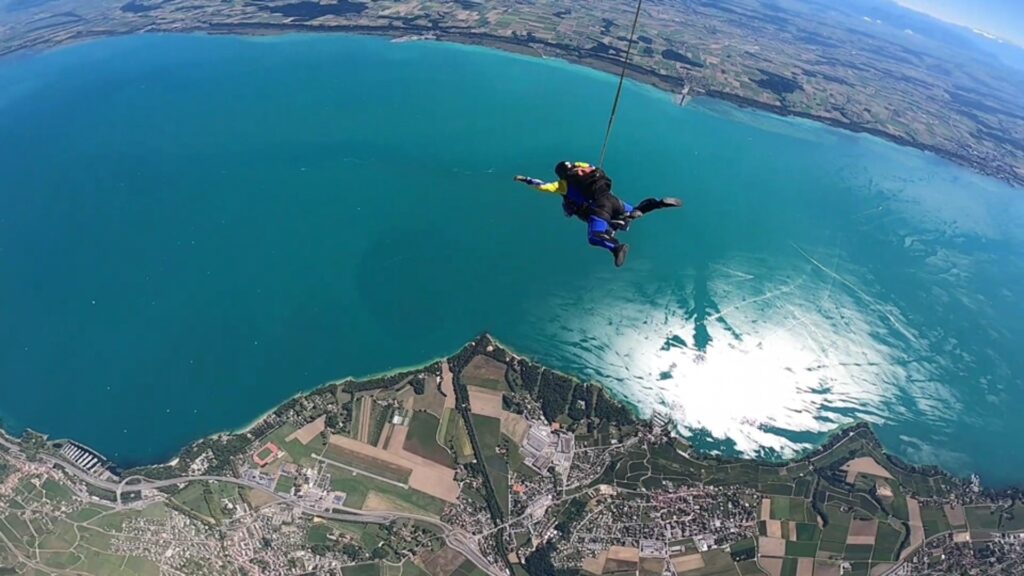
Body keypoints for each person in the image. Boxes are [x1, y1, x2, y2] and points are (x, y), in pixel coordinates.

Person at [515, 161, 681, 267]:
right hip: (612, 200)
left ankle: (616, 247)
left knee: (595, 236)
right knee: (631, 212)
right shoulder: (584, 168)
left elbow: (542, 186)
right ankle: (658, 203)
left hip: (600, 208)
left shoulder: (562, 184)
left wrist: (526, 179)